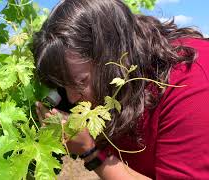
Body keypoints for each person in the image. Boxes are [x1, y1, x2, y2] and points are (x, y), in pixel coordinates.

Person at [32, 0, 209, 179]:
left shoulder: (189, 81)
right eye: (63, 85)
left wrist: (90, 152)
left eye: (80, 82)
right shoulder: (117, 85)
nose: (71, 98)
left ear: (114, 54)